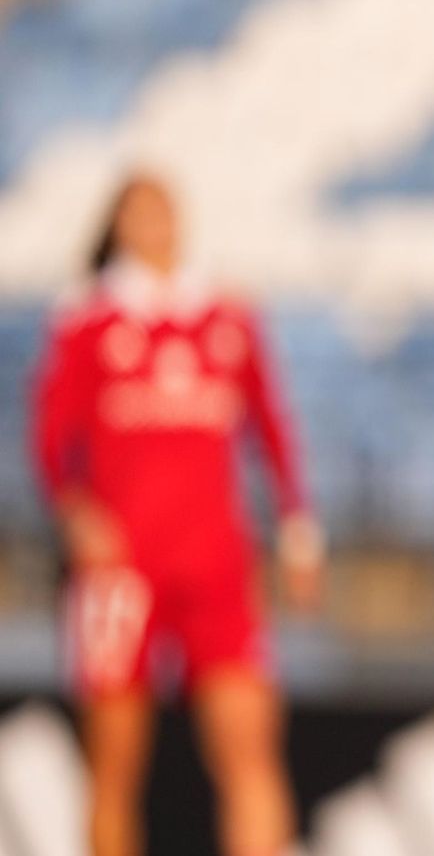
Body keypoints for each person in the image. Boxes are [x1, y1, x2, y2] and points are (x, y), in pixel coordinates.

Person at [32, 173, 323, 856]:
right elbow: (50, 440)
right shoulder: (88, 323)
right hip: (122, 568)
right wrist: (75, 513)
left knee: (249, 746)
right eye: (138, 210)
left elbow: (273, 430)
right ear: (117, 226)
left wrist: (298, 533)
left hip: (215, 560)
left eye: (165, 207)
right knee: (112, 761)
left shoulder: (226, 317)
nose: (155, 222)